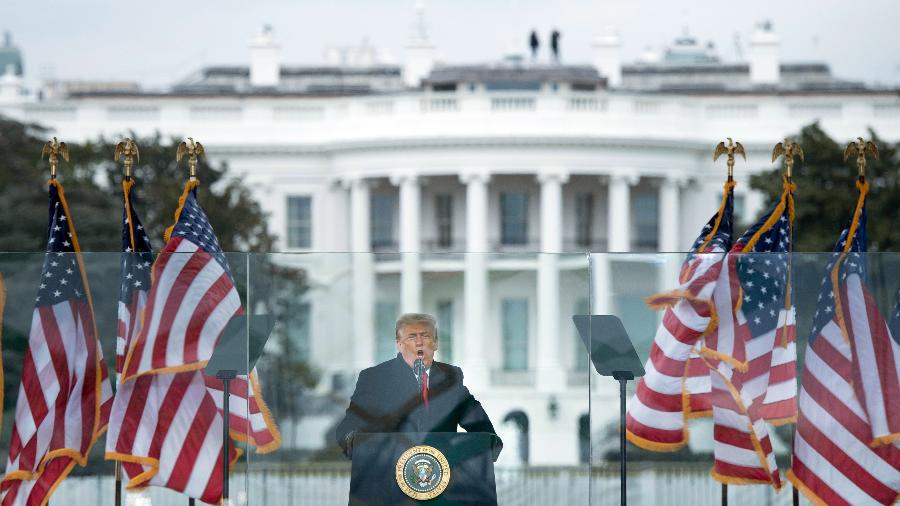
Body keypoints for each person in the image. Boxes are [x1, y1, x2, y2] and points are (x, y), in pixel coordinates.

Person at [335, 312, 502, 460]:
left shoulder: (451, 379)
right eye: (411, 337)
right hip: (388, 478)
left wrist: (490, 443)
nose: (419, 342)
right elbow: (349, 428)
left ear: (435, 343)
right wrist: (356, 442)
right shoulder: (375, 378)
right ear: (399, 345)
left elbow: (481, 427)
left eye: (426, 336)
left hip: (441, 480)